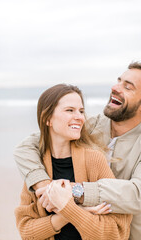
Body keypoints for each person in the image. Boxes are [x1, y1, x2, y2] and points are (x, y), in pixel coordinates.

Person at [14, 61, 141, 240]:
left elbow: (137, 195)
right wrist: (45, 186)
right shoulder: (88, 127)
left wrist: (72, 193)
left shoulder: (94, 158)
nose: (115, 87)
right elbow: (27, 146)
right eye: (118, 81)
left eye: (127, 87)